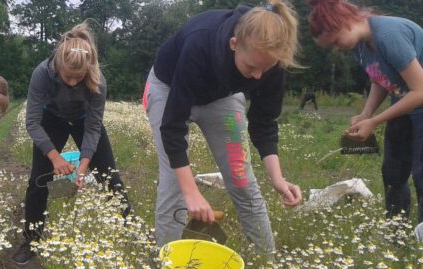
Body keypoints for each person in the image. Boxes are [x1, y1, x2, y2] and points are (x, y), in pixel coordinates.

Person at [143, 0, 303, 255]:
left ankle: (266, 266)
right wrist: (192, 193)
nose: (258, 76)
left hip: (222, 96)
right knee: (175, 183)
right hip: (169, 87)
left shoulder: (271, 62)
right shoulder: (200, 42)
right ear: (234, 45)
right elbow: (172, 127)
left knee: (242, 181)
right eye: (251, 67)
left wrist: (278, 179)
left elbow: (264, 123)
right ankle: (168, 266)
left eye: (266, 68)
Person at [12, 22, 132, 265]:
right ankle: (31, 241)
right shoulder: (42, 74)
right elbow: (33, 123)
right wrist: (55, 157)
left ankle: (131, 232)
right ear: (58, 65)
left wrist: (83, 165)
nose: (75, 83)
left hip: (84, 119)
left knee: (109, 176)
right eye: (69, 77)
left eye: (80, 78)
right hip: (50, 119)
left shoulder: (98, 80)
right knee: (38, 180)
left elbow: (94, 127)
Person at [308, 0, 423, 223]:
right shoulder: (359, 45)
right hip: (405, 104)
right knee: (393, 173)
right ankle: (395, 233)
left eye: (335, 41)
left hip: (418, 99)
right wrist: (366, 114)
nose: (336, 48)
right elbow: (379, 78)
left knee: (422, 177)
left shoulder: (389, 35)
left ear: (344, 22)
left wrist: (375, 121)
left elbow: (420, 91)